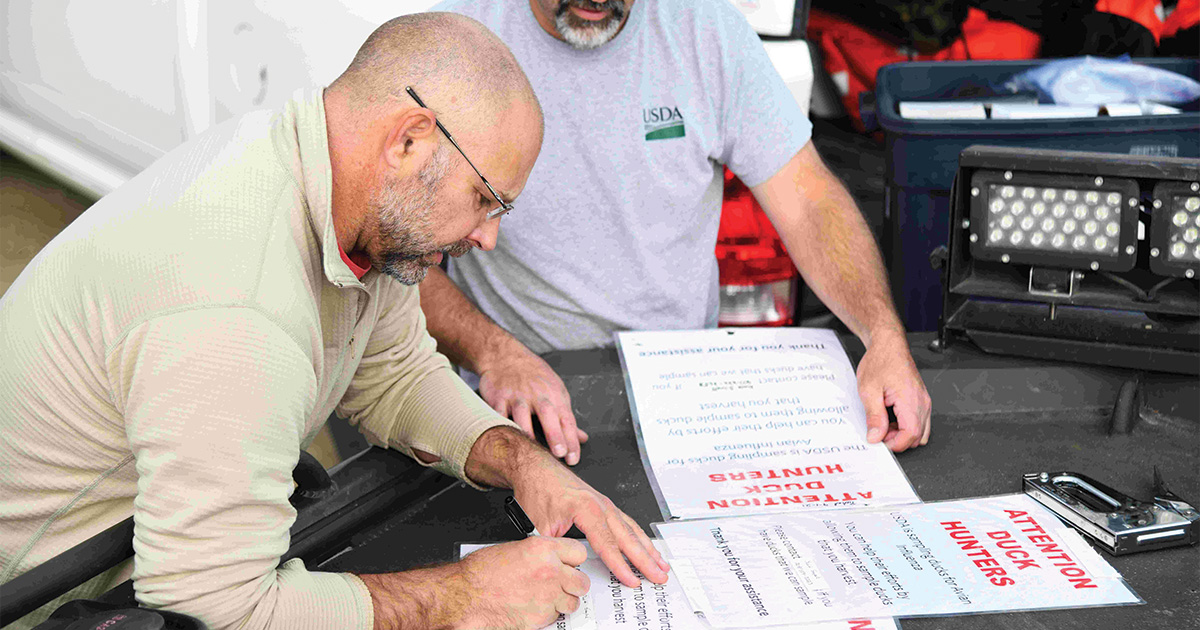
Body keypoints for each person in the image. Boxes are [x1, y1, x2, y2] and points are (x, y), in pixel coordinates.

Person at [0, 13, 667, 630]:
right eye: (484, 200)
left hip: (144, 548)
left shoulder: (339, 191)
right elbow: (214, 605)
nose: (486, 238)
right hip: (48, 600)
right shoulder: (237, 302)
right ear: (409, 141)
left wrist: (519, 461)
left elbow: (396, 375)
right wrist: (466, 595)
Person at [425, 0, 933, 466]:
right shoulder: (458, 41)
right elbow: (392, 260)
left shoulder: (705, 28)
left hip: (686, 396)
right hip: (523, 396)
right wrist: (493, 353)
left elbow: (809, 202)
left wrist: (882, 336)